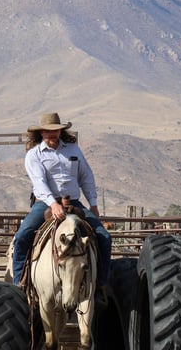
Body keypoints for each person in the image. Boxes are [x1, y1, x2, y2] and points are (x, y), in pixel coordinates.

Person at [12, 112, 111, 303]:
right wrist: (52, 203)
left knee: (104, 237)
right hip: (45, 204)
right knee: (23, 236)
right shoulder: (34, 155)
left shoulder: (73, 150)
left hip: (73, 202)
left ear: (60, 131)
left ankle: (99, 285)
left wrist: (93, 203)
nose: (52, 135)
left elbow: (86, 176)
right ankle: (20, 284)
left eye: (56, 131)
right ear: (41, 132)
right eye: (48, 131)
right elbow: (39, 182)